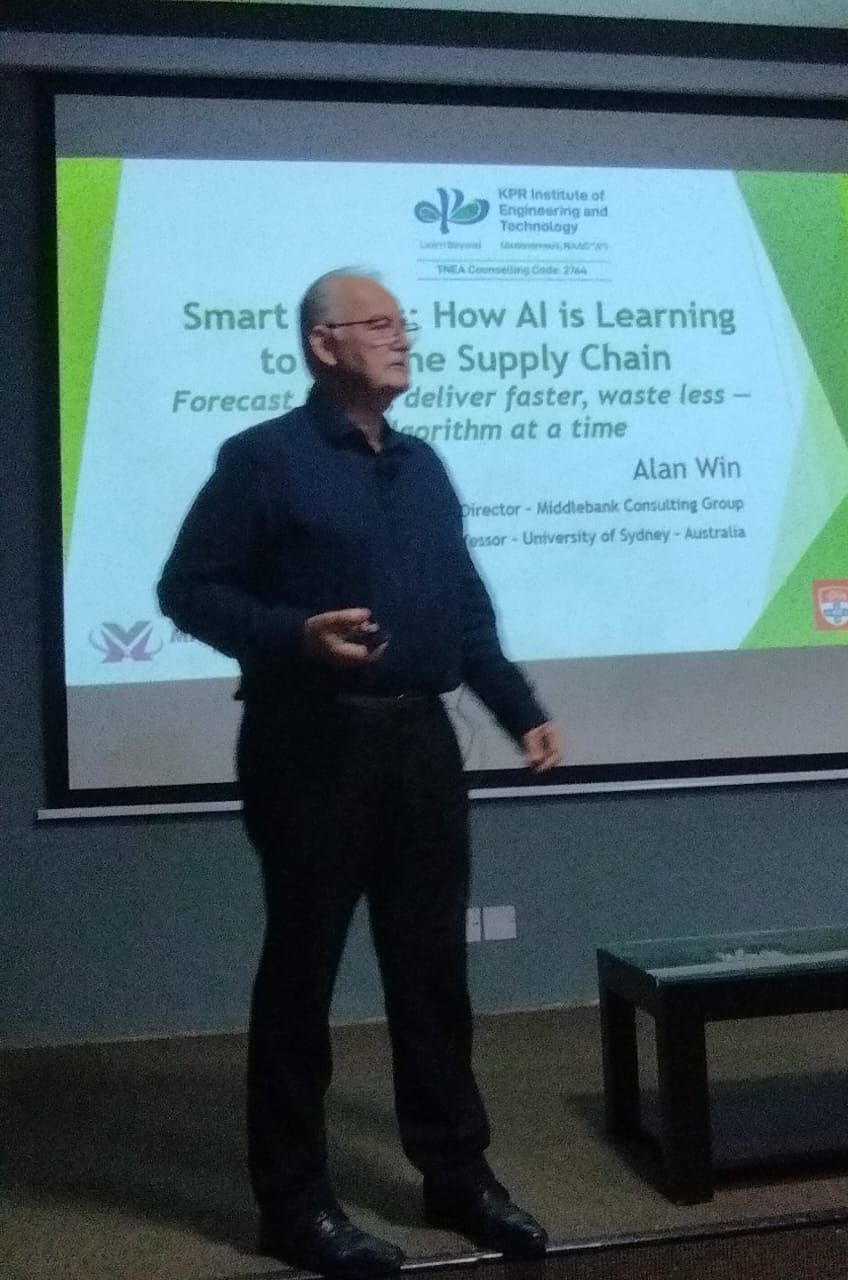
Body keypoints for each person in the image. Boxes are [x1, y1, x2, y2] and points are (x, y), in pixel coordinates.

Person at [157, 270, 564, 1277]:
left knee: (432, 973)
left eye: (403, 323)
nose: (402, 337)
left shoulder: (423, 466)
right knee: (302, 976)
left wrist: (519, 708)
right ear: (323, 342)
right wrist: (292, 634)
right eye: (379, 324)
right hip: (310, 741)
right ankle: (295, 1204)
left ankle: (456, 1175)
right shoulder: (264, 459)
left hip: (420, 742)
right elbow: (188, 589)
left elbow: (463, 605)